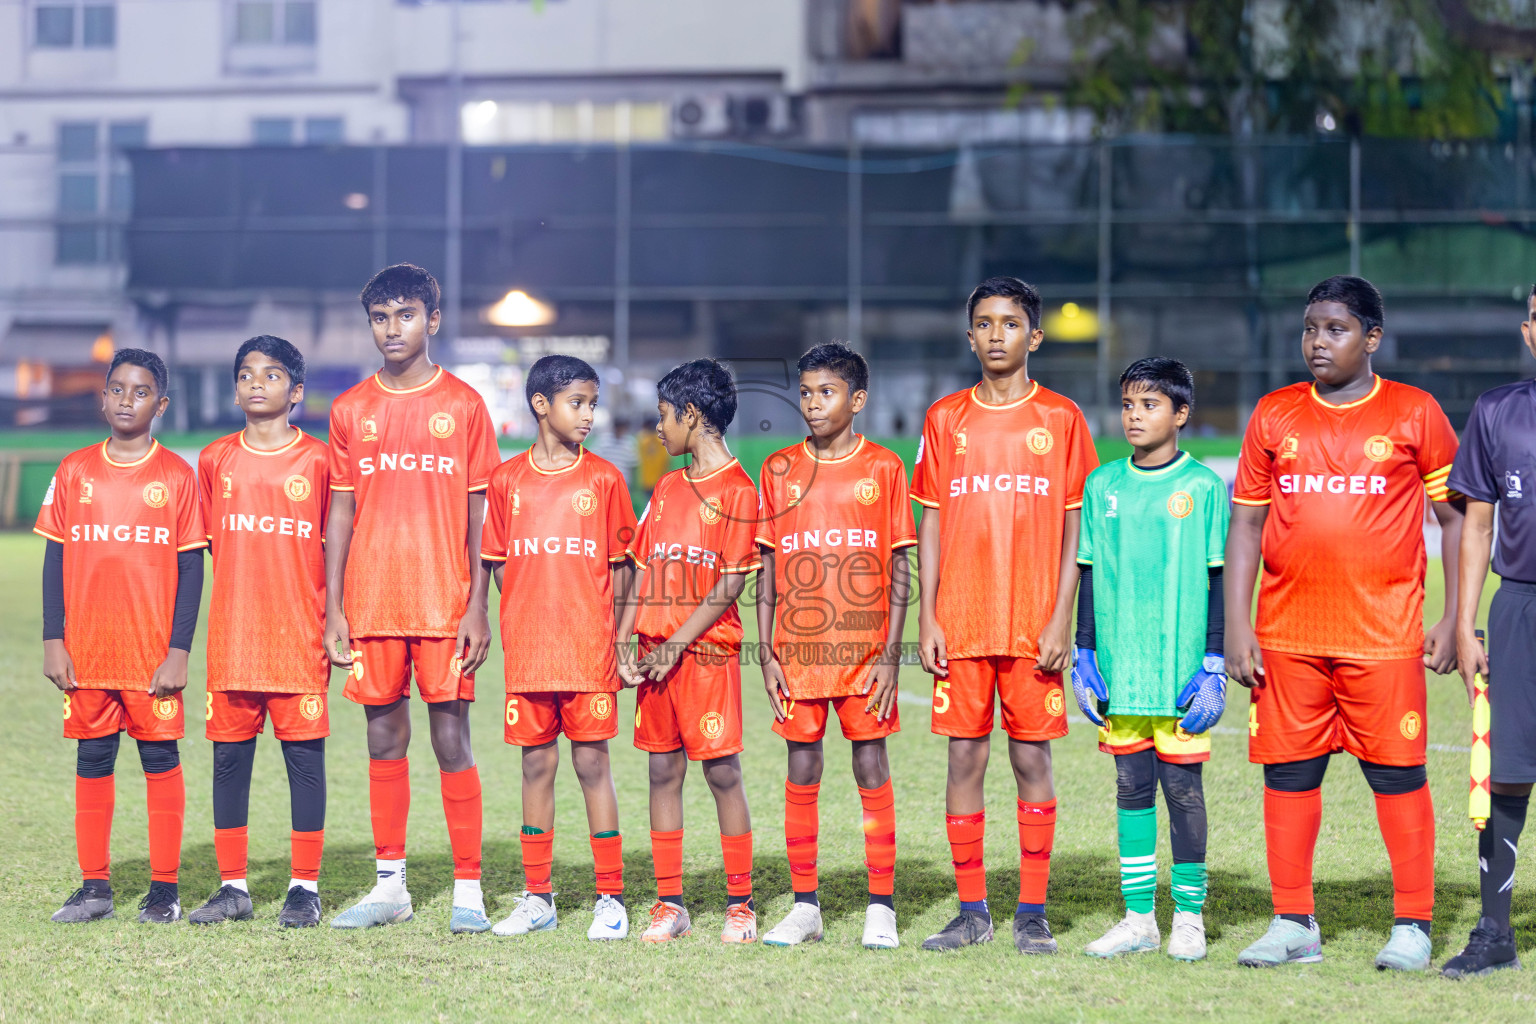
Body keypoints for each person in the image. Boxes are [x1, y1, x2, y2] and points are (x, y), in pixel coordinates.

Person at [1226, 275, 1463, 971]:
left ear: (1372, 338)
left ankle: (1414, 924)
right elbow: (1245, 526)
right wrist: (1235, 627)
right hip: (1288, 635)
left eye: (1335, 329)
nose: (1317, 342)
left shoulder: (1415, 413)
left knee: (1396, 776)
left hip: (1383, 635)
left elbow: (1454, 520)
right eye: (1309, 328)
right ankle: (1293, 921)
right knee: (1288, 776)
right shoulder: (1275, 414)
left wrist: (1452, 617)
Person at [911, 276, 1098, 953]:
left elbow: (1078, 530)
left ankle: (1032, 912)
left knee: (1031, 759)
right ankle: (971, 911)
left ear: (1034, 336)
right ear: (970, 337)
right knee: (964, 756)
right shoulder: (944, 419)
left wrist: (1060, 619)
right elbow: (929, 523)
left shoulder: (1063, 419)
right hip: (959, 621)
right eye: (985, 323)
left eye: (1010, 323)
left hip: (1031, 623)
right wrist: (929, 616)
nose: (997, 334)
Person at [324, 264, 502, 933]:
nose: (391, 329)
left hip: (443, 601)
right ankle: (390, 885)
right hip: (372, 604)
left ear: (432, 319)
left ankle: (469, 890)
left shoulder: (462, 405)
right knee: (382, 738)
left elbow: (481, 511)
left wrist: (477, 604)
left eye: (404, 315)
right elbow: (339, 514)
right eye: (379, 317)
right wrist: (335, 606)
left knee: (451, 737)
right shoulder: (350, 410)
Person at [755, 343, 915, 950]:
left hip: (865, 651)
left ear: (858, 399)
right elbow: (766, 570)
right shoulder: (778, 470)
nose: (813, 403)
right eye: (805, 392)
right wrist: (767, 653)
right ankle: (805, 907)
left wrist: (890, 653)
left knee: (871, 764)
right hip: (797, 653)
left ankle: (882, 907)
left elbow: (901, 567)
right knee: (802, 765)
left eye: (826, 392)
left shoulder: (884, 468)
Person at [37, 348, 206, 925]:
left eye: (140, 392)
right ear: (102, 396)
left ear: (160, 404)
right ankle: (94, 887)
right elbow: (54, 559)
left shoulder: (176, 476)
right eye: (117, 389)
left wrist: (178, 651)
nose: (126, 400)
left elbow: (190, 569)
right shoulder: (74, 470)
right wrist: (52, 638)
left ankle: (164, 888)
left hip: (151, 652)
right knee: (92, 758)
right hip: (86, 650)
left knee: (160, 757)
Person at [1072, 358, 1229, 962]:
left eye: (1150, 405)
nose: (1135, 416)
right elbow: (1088, 571)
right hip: (1121, 670)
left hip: (1180, 673)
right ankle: (1139, 917)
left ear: (1181, 413)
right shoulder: (1103, 484)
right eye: (1129, 405)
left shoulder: (1203, 487)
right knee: (1131, 787)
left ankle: (1188, 916)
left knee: (1183, 790)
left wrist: (1213, 661)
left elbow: (1217, 579)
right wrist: (1085, 653)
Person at [479, 355, 637, 941]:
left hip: (590, 651)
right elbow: (496, 564)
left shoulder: (605, 479)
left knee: (593, 764)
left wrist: (619, 639)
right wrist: (530, 605)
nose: (589, 415)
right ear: (542, 404)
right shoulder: (506, 481)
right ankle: (537, 896)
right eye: (579, 402)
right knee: (536, 765)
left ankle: (610, 897)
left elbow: (624, 570)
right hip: (530, 652)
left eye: (594, 403)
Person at [616, 358, 762, 944]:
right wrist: (626, 637)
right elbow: (642, 565)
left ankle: (740, 904)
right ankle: (669, 903)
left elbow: (730, 582)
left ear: (692, 415)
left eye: (664, 418)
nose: (658, 430)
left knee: (722, 773)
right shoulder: (669, 486)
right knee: (661, 771)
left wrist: (678, 643)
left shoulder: (740, 491)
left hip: (704, 655)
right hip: (655, 654)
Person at [189, 336, 330, 928]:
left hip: (300, 636)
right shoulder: (214, 459)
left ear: (295, 392)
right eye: (245, 374)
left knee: (304, 762)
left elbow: (339, 549)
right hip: (234, 637)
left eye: (271, 376)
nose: (255, 384)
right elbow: (203, 548)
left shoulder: (319, 461)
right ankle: (233, 886)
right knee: (229, 762)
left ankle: (304, 887)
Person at [1441, 285, 1536, 978]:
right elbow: (1475, 523)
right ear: (1529, 331)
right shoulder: (1497, 411)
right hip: (1519, 609)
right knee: (1506, 774)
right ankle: (1495, 931)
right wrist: (1465, 622)